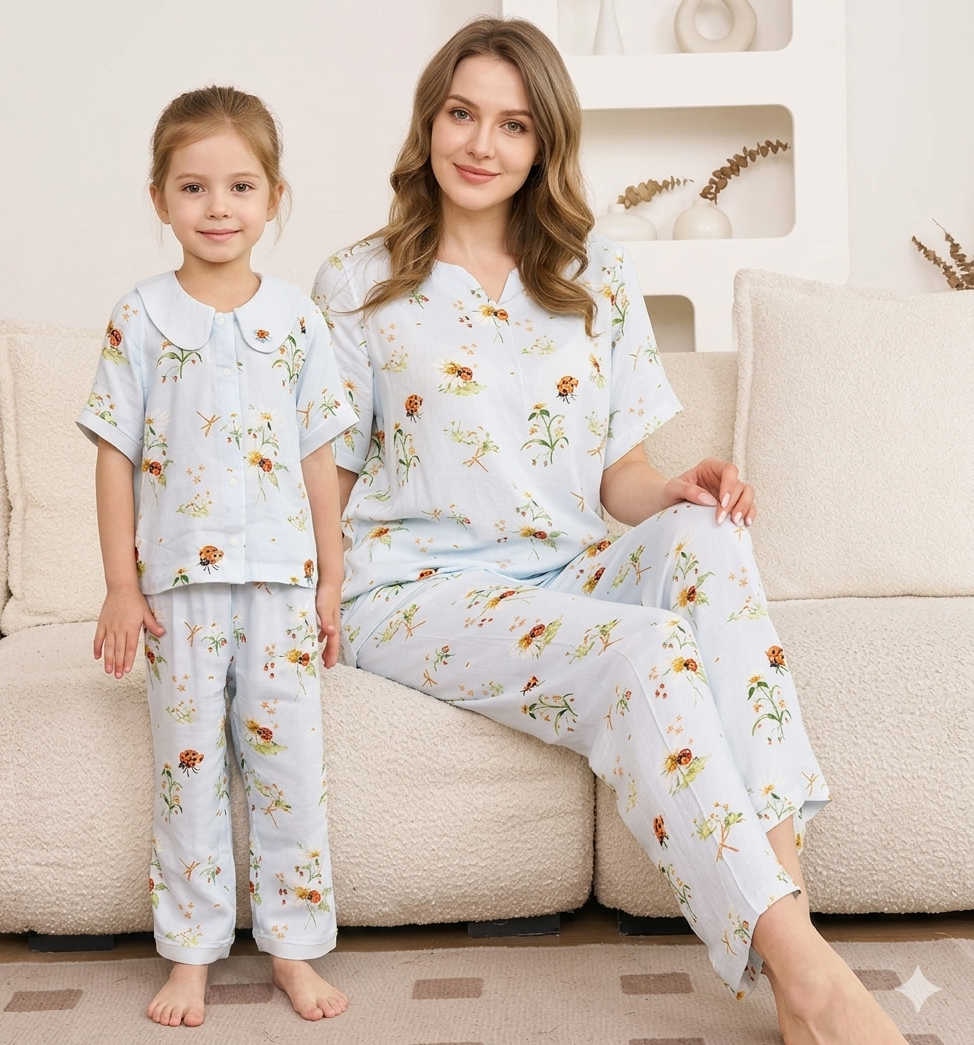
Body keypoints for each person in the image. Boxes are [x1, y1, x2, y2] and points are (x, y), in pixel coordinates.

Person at [313, 18, 907, 1045]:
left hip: (571, 561)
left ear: (545, 145)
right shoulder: (358, 284)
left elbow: (613, 476)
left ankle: (791, 936)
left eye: (513, 124)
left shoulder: (595, 274)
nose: (481, 144)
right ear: (429, 119)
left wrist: (675, 487)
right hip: (417, 588)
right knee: (644, 651)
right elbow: (336, 468)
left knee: (714, 539)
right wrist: (316, 590)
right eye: (462, 114)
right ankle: (811, 979)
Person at [77, 85, 353, 1028]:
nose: (219, 207)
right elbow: (114, 459)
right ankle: (189, 955)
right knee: (187, 773)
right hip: (178, 591)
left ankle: (292, 949)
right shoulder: (139, 318)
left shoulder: (299, 322)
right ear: (160, 198)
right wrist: (121, 584)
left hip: (281, 586)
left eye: (240, 186)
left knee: (289, 772)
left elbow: (321, 460)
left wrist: (332, 580)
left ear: (275, 196)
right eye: (194, 187)